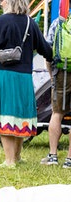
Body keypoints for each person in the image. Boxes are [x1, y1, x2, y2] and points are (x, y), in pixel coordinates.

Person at [0, 0, 53, 168]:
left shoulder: (1, 21)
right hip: (23, 77)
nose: (0, 3)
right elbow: (46, 49)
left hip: (3, 75)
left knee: (5, 115)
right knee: (19, 117)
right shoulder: (30, 23)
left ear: (8, 1)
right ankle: (18, 157)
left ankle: (9, 160)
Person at [40, 15, 71, 168]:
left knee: (57, 113)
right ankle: (70, 160)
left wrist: (51, 75)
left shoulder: (59, 22)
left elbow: (47, 50)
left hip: (60, 73)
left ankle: (52, 156)